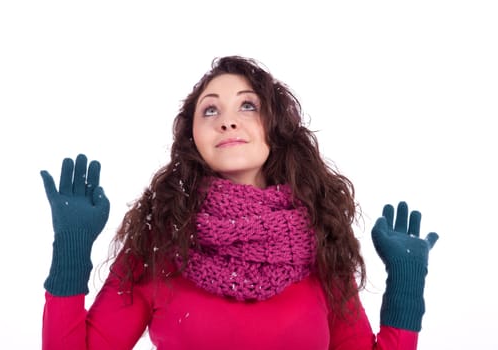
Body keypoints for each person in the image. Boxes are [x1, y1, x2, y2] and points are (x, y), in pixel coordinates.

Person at [40, 56, 439, 350]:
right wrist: (71, 250)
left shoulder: (321, 243)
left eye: (247, 105)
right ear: (192, 137)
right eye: (210, 109)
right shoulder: (160, 242)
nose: (227, 121)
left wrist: (406, 286)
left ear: (275, 125)